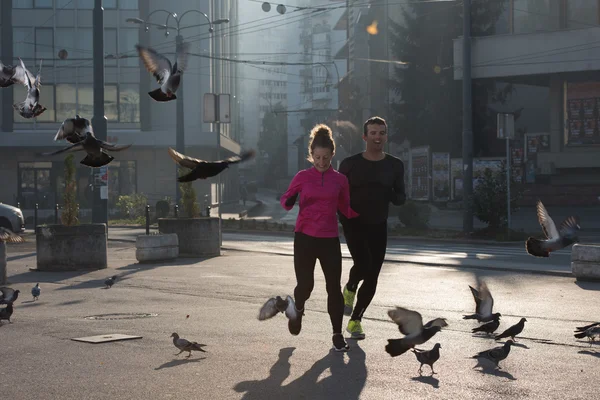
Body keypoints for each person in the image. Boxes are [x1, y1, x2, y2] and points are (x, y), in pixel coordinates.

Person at [280, 123, 359, 352]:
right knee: (305, 285)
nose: (321, 162)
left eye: (326, 158)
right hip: (304, 237)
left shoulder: (340, 180)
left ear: (332, 154)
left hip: (329, 239)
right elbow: (286, 199)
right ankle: (299, 311)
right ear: (311, 155)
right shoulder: (302, 177)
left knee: (333, 288)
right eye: (317, 157)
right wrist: (290, 199)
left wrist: (361, 217)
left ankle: (336, 334)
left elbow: (345, 207)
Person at [338, 116, 406, 340]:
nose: (378, 137)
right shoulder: (349, 164)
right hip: (353, 223)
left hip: (378, 224)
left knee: (373, 275)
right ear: (365, 136)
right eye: (373, 133)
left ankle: (356, 320)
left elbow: (400, 197)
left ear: (386, 136)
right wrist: (342, 217)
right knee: (364, 264)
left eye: (382, 133)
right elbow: (338, 195)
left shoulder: (395, 165)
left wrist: (391, 194)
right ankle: (350, 286)